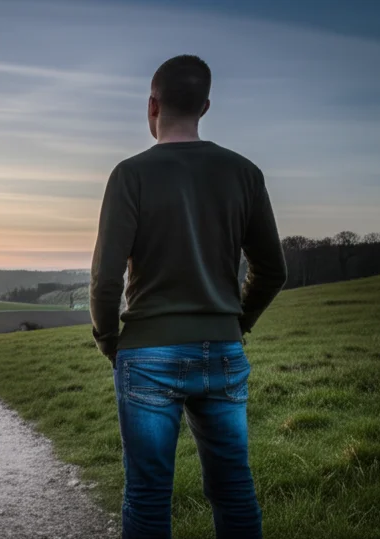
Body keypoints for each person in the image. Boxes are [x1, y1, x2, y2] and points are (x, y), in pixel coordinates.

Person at [90, 55, 287, 539]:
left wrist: (109, 340)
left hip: (147, 354)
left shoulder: (130, 175)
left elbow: (105, 279)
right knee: (234, 488)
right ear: (205, 105)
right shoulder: (245, 173)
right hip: (222, 350)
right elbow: (273, 270)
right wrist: (236, 323)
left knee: (148, 494)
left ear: (152, 105)